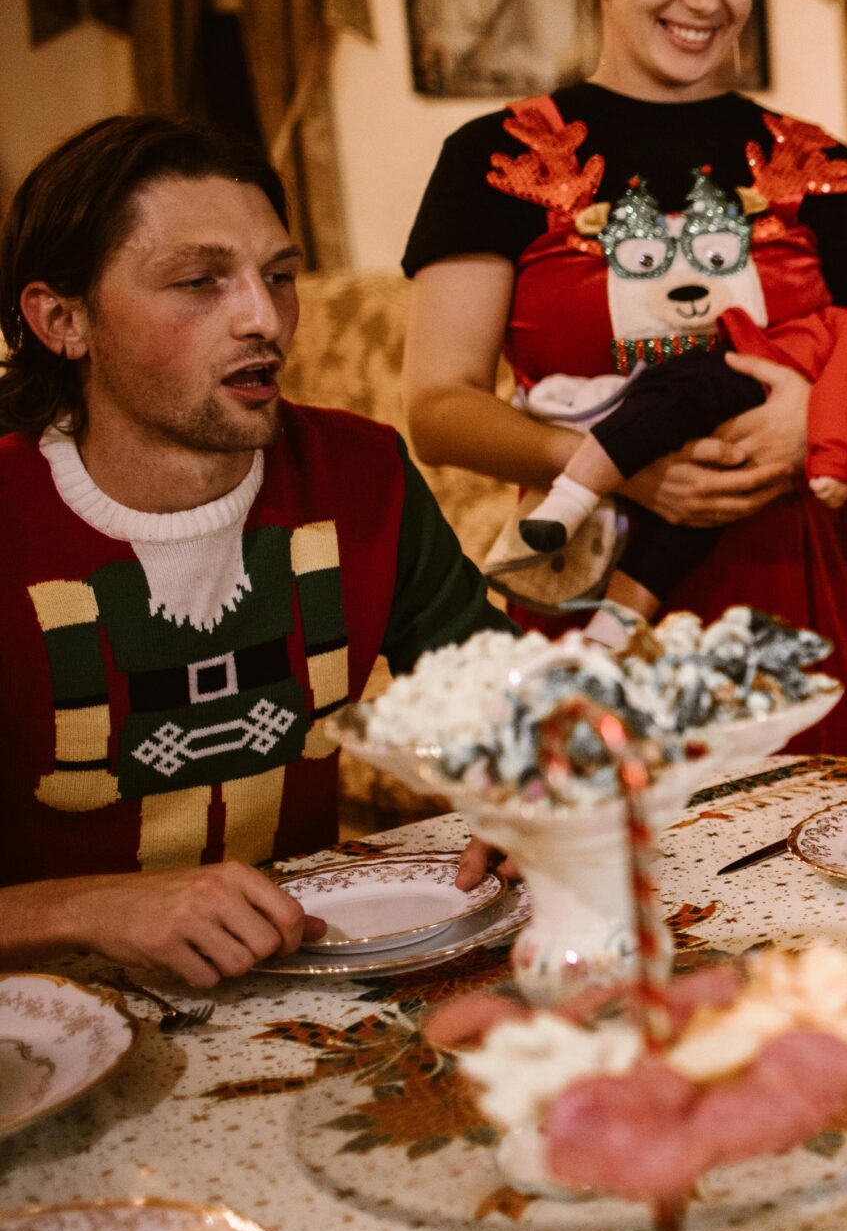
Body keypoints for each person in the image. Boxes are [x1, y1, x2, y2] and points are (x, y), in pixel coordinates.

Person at [403, 0, 847, 761]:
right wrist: (622, 465)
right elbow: (437, 406)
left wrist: (810, 428)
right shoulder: (497, 156)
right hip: (591, 608)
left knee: (828, 905)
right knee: (607, 893)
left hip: (800, 625)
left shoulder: (818, 167)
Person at [0, 116, 512, 986]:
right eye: (201, 281)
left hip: (307, 988)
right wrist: (91, 907)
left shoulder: (363, 474)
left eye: (279, 276)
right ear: (63, 319)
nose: (263, 317)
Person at [508, 273, 847, 619]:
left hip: (742, 437)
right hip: (734, 370)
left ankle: (611, 634)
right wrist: (836, 462)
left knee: (683, 541)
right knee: (651, 419)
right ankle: (567, 501)